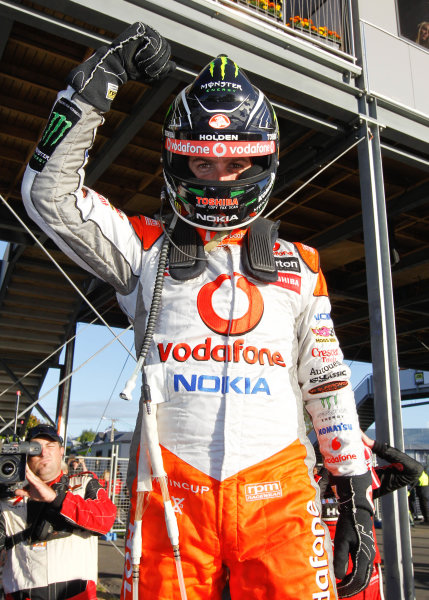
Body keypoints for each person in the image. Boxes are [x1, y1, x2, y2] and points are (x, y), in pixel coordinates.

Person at [22, 21, 377, 600]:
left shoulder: (300, 264)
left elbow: (328, 385)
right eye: (202, 164)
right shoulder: (144, 249)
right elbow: (47, 194)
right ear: (177, 163)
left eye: (236, 164)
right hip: (171, 498)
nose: (218, 179)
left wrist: (354, 495)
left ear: (262, 162)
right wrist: (95, 83)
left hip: (281, 498)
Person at [0, 424, 117, 600]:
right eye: (35, 448)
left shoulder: (83, 484)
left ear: (61, 451)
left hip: (78, 593)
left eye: (50, 446)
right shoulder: (9, 497)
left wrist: (56, 498)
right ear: (25, 453)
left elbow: (106, 518)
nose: (43, 452)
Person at [318, 430, 423, 600]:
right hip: (324, 577)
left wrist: (374, 445)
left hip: (365, 575)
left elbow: (413, 470)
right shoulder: (311, 486)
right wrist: (326, 470)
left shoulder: (362, 485)